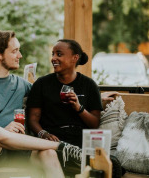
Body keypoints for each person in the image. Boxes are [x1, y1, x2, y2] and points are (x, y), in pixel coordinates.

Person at [0, 31, 77, 178]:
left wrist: (97, 97)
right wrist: (3, 130)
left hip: (19, 150)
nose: (20, 55)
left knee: (48, 153)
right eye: (15, 51)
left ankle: (60, 149)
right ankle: (62, 147)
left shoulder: (22, 84)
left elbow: (52, 97)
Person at [26, 39, 122, 177]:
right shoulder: (42, 84)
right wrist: (44, 134)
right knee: (50, 154)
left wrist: (78, 107)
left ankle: (80, 163)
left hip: (79, 145)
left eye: (59, 54)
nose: (53, 58)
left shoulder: (89, 85)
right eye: (53, 54)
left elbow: (94, 124)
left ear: (74, 58)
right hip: (52, 142)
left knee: (112, 167)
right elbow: (33, 119)